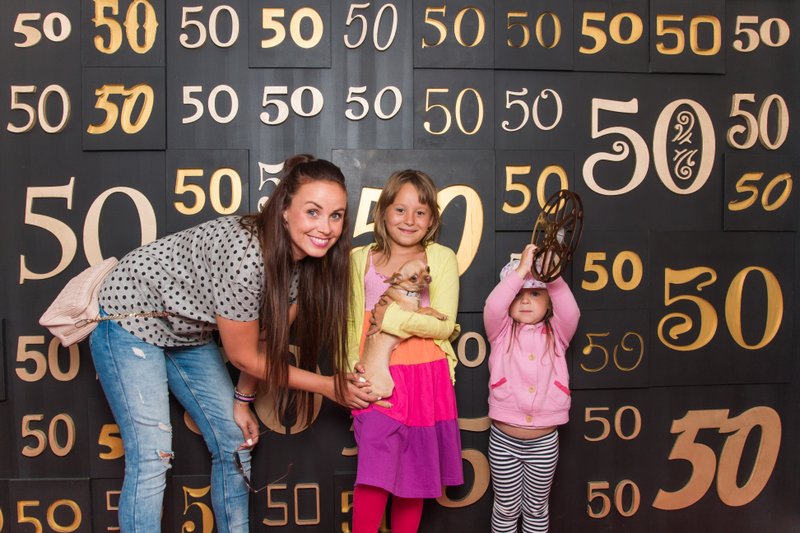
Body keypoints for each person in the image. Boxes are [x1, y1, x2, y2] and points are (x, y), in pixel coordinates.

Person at [89, 155, 374, 533]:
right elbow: (243, 356)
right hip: (132, 317)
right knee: (153, 454)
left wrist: (242, 402)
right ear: (284, 210)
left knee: (235, 440)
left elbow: (267, 339)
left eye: (336, 215)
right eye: (313, 212)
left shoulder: (305, 263)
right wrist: (328, 385)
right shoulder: (247, 255)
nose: (326, 227)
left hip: (187, 330)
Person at [347, 169, 463, 533]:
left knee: (414, 477)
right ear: (383, 212)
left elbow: (444, 325)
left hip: (427, 376)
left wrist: (390, 316)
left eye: (420, 212)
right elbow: (349, 323)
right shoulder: (360, 259)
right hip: (376, 375)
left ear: (431, 220)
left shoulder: (441, 258)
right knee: (374, 474)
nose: (409, 220)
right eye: (400, 209)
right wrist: (350, 373)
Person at [483, 243, 580, 533]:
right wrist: (521, 272)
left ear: (549, 302)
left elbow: (571, 312)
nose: (525, 301)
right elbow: (493, 307)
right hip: (504, 441)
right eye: (518, 294)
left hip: (544, 443)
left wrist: (553, 277)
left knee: (537, 507)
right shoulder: (501, 332)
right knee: (505, 506)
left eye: (535, 294)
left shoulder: (558, 334)